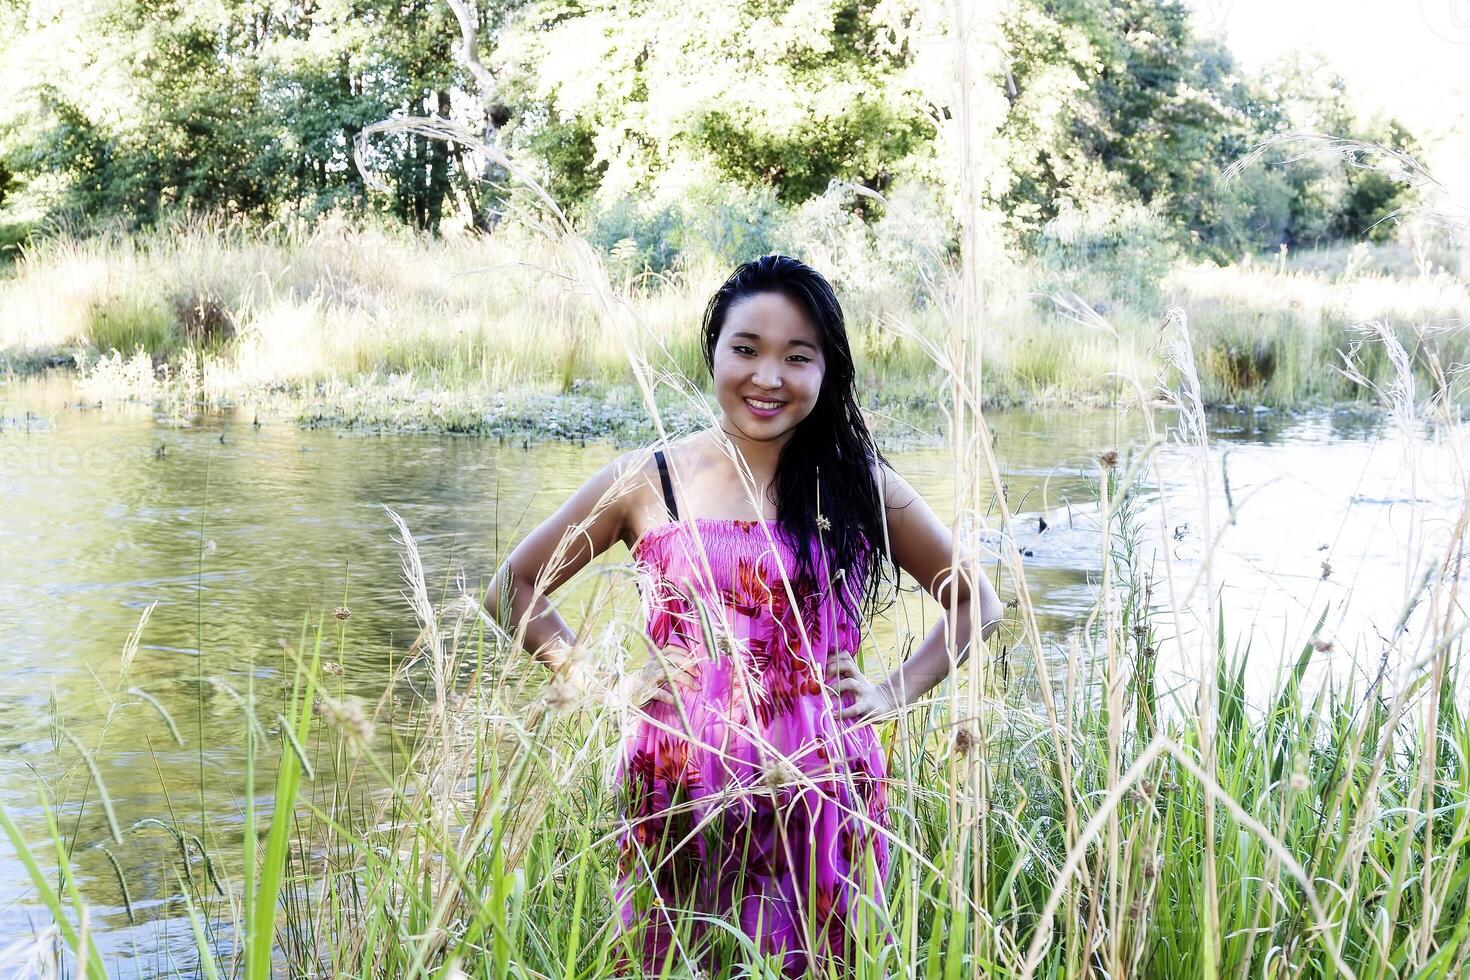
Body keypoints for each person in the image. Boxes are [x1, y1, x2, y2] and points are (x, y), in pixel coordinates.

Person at [486, 254, 1004, 976]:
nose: (768, 377)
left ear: (826, 372)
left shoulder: (857, 482)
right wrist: (598, 686)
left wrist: (892, 691)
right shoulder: (649, 478)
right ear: (714, 352)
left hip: (820, 785)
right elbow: (514, 586)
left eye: (797, 356)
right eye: (746, 349)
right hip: (674, 782)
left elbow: (976, 598)